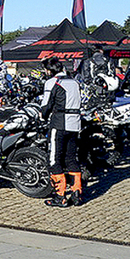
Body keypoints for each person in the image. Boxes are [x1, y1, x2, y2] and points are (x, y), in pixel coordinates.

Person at [39, 56, 83, 207]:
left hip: (59, 123)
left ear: (50, 70)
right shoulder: (75, 82)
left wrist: (42, 117)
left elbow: (46, 105)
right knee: (71, 158)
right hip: (75, 123)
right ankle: (77, 193)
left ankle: (60, 197)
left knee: (54, 160)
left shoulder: (52, 82)